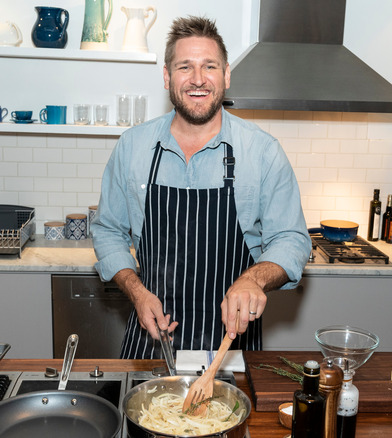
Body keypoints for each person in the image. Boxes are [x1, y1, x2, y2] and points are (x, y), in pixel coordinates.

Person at [90, 16, 311, 359]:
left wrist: (254, 278)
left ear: (226, 75)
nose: (197, 79)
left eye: (209, 66)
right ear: (167, 76)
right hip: (151, 342)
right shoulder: (133, 147)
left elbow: (292, 239)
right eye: (184, 67)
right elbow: (107, 230)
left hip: (231, 347)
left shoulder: (262, 151)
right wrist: (136, 292)